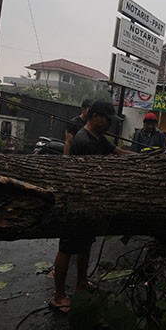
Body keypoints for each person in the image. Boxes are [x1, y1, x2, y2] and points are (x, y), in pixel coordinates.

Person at [50, 100, 130, 312]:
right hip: (75, 201)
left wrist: (146, 157)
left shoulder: (98, 137)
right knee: (67, 248)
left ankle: (81, 283)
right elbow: (103, 171)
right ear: (95, 117)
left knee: (85, 244)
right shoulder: (85, 141)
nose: (110, 124)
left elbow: (117, 152)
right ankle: (58, 296)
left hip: (87, 201)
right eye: (107, 120)